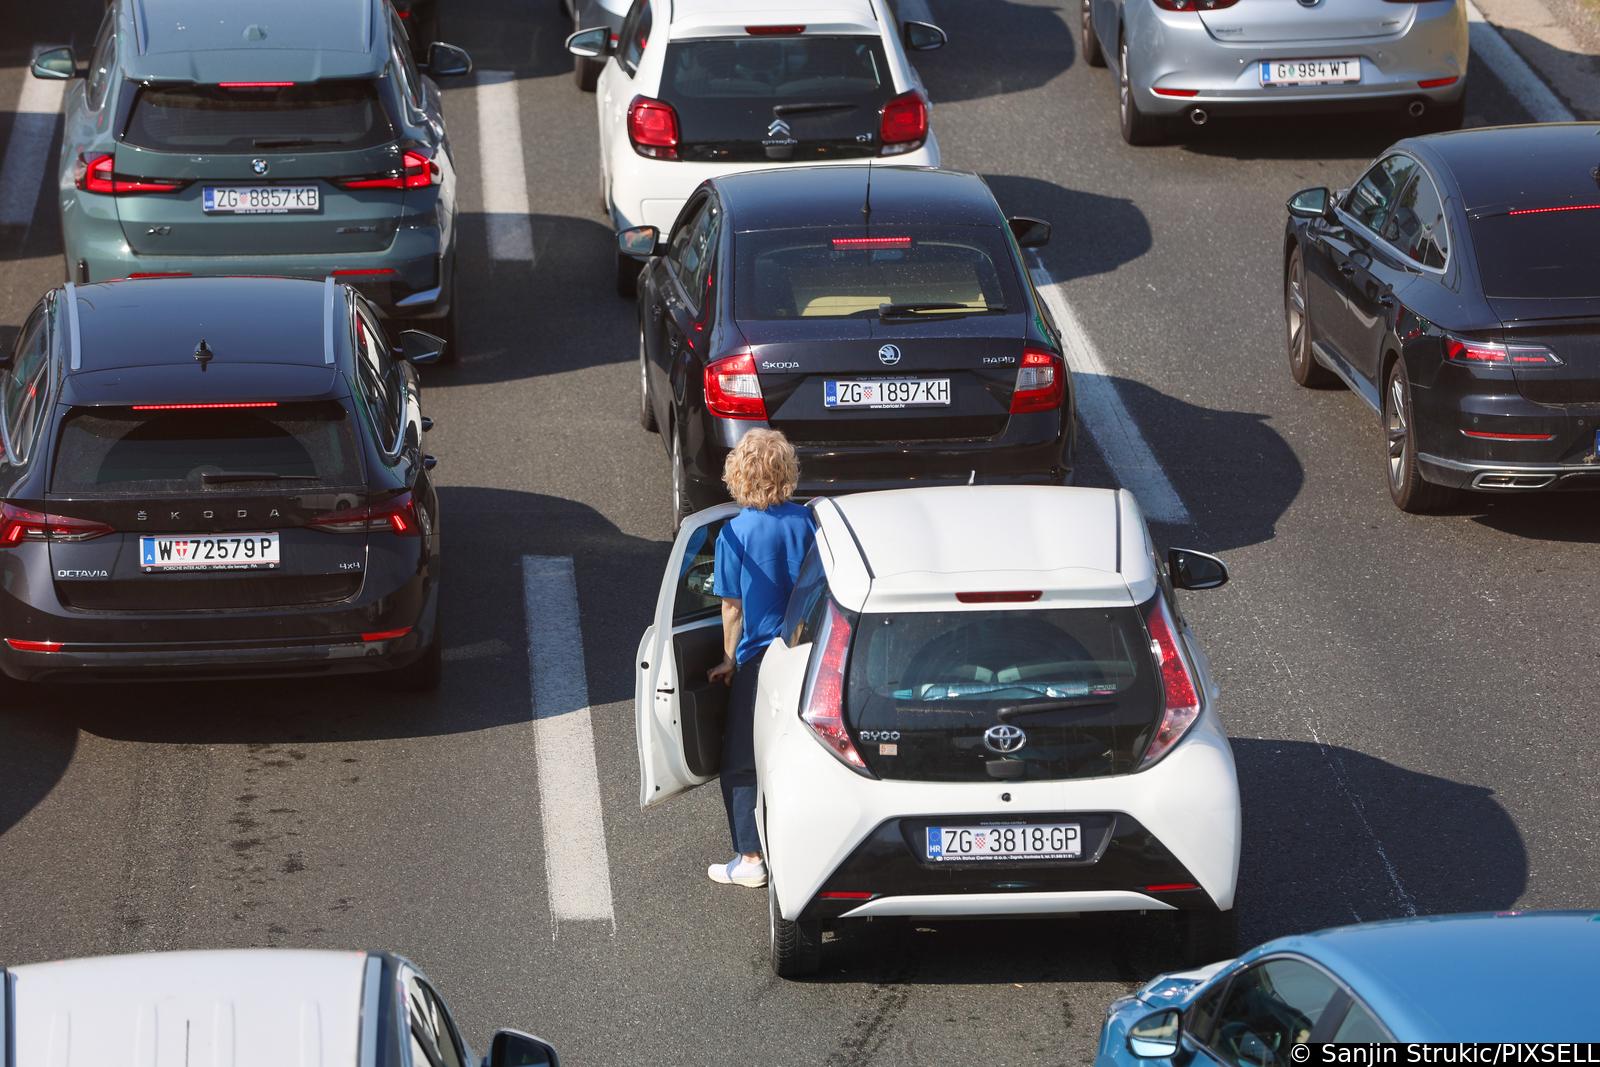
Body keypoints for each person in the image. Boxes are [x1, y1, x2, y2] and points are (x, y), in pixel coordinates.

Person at [706, 428, 814, 889]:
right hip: (808, 653)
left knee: (742, 759)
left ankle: (751, 858)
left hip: (760, 659)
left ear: (739, 474)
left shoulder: (734, 533)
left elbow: (732, 608)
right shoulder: (808, 522)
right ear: (785, 471)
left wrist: (728, 659)